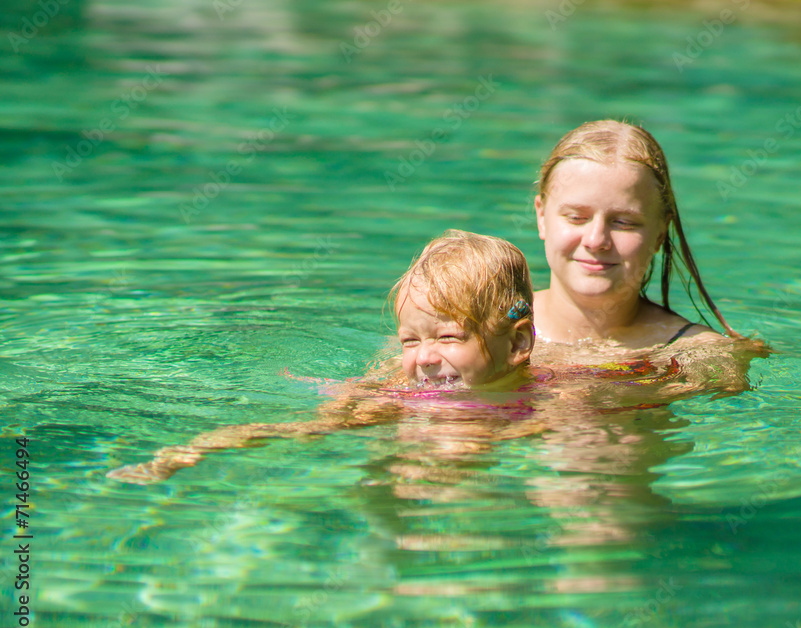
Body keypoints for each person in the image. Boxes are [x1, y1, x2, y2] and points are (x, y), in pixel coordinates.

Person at [106, 230, 539, 484]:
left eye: (448, 336)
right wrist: (194, 451)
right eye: (409, 341)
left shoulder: (552, 401)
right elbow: (303, 429)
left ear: (518, 345)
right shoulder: (390, 398)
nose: (424, 358)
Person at [533, 119, 746, 349]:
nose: (596, 241)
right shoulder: (492, 329)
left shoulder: (701, 356)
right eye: (576, 218)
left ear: (660, 233)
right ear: (542, 217)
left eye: (623, 223)